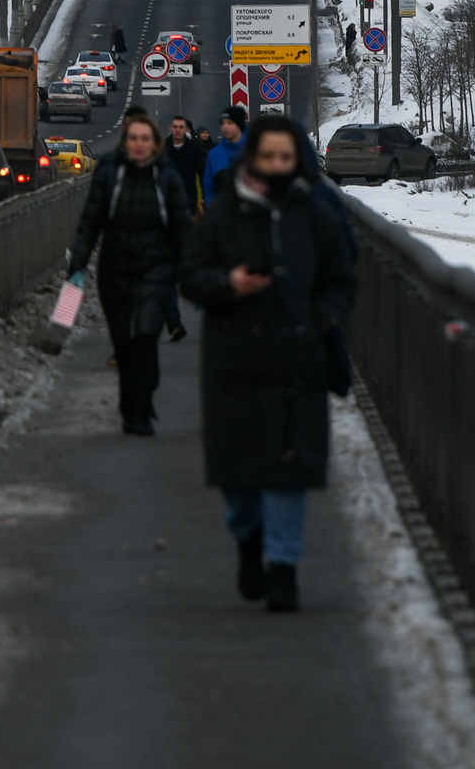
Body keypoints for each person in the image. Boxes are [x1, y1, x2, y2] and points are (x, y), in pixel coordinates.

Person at [181, 113, 357, 615]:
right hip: (234, 359)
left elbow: (342, 278)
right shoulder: (222, 214)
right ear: (252, 159)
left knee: (288, 468)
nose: (278, 166)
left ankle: (283, 568)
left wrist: (323, 319)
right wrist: (228, 285)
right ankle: (249, 542)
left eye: (286, 157)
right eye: (268, 157)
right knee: (240, 477)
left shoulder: (315, 213)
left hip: (296, 356)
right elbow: (191, 276)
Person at [64, 110, 193, 435]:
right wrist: (77, 264)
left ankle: (144, 405)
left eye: (145, 139)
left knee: (146, 337)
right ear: (126, 141)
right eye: (133, 138)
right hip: (115, 269)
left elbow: (181, 227)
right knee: (123, 342)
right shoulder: (110, 174)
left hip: (155, 269)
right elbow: (90, 223)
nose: (139, 144)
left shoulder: (166, 177)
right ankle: (129, 405)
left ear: (154, 143)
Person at [201, 106, 248, 199]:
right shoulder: (214, 154)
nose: (225, 127)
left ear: (239, 124)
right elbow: (208, 186)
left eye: (230, 123)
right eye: (222, 123)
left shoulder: (253, 150)